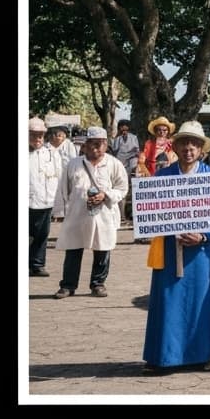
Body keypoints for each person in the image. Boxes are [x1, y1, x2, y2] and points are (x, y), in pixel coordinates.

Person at [141, 121, 210, 375]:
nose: (188, 149)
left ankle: (202, 354)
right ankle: (164, 356)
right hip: (169, 250)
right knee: (166, 300)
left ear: (201, 149)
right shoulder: (162, 177)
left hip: (199, 253)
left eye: (194, 144)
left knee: (199, 300)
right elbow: (150, 210)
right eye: (183, 143)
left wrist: (203, 235)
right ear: (176, 146)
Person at [54, 127, 130, 299]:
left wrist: (106, 195)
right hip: (77, 214)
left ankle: (98, 284)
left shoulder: (113, 164)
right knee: (73, 249)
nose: (95, 148)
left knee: (102, 249)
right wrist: (64, 209)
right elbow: (64, 190)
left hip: (103, 215)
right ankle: (68, 285)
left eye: (99, 144)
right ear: (85, 145)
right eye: (91, 144)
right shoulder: (73, 164)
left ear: (106, 144)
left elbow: (122, 188)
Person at [28, 117, 62, 278]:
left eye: (40, 135)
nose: (37, 139)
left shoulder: (51, 154)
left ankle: (37, 264)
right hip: (27, 202)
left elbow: (58, 176)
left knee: (41, 236)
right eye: (33, 135)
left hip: (45, 201)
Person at [110, 120, 140, 223]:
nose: (124, 129)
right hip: (120, 166)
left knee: (132, 191)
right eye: (122, 127)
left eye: (125, 127)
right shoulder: (117, 139)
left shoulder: (133, 137)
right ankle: (122, 216)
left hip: (131, 165)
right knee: (121, 190)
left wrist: (133, 164)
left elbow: (136, 152)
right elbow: (114, 152)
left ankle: (132, 215)